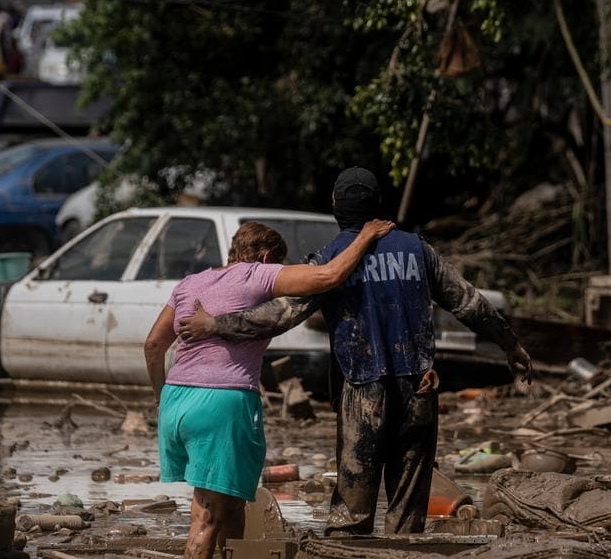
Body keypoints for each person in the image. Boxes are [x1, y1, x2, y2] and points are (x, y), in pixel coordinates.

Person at [178, 167, 533, 536]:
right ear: (377, 204)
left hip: (361, 391)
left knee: (351, 513)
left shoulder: (332, 260)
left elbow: (279, 316)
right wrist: (511, 345)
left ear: (337, 209)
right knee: (408, 509)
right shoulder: (418, 250)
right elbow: (470, 303)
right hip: (419, 388)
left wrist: (216, 325)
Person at [144, 218, 394, 559]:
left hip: (176, 400)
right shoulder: (258, 275)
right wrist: (365, 236)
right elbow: (328, 276)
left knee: (231, 502)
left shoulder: (191, 282)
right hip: (221, 401)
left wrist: (160, 396)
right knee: (207, 514)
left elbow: (154, 345)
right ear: (264, 256)